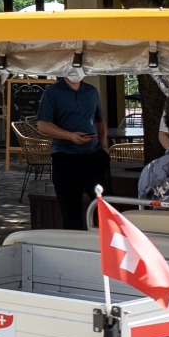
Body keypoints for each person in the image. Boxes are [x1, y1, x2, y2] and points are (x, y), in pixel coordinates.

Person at [31, 76, 110, 227]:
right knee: (70, 211)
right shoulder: (52, 92)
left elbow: (100, 119)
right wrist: (69, 136)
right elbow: (42, 124)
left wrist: (104, 147)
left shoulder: (92, 91)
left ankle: (103, 246)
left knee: (104, 207)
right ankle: (75, 246)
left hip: (93, 156)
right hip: (65, 157)